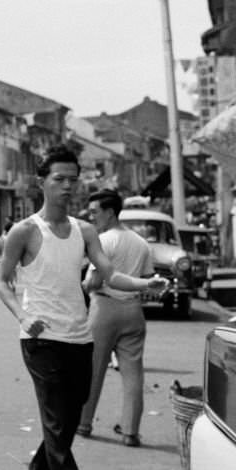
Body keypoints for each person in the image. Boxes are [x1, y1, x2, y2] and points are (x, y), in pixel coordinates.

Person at [0, 144, 166, 470]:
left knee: (68, 421)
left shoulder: (85, 231)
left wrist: (145, 284)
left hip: (80, 338)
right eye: (60, 179)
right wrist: (22, 316)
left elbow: (108, 275)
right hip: (41, 342)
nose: (68, 186)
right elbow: (0, 281)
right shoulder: (24, 231)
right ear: (42, 182)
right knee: (58, 424)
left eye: (74, 179)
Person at [77, 189, 154, 447]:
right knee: (133, 373)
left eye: (94, 212)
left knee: (92, 368)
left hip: (105, 308)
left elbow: (94, 281)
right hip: (133, 311)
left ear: (109, 212)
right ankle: (131, 431)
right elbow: (146, 279)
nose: (91, 217)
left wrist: (86, 284)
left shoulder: (103, 241)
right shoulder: (141, 243)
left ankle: (84, 423)